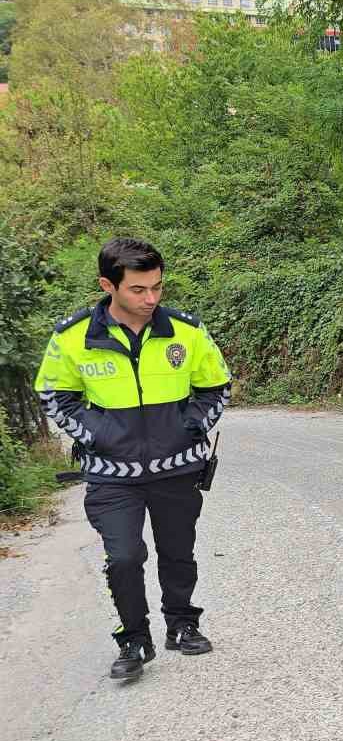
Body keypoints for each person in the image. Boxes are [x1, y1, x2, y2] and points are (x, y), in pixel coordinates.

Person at [33, 238, 232, 680]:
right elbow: (54, 394)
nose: (151, 298)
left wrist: (188, 427)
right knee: (123, 557)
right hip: (111, 474)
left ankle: (182, 624)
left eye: (157, 287)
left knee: (177, 551)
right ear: (108, 285)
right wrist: (97, 433)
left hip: (177, 468)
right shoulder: (73, 337)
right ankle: (134, 639)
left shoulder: (186, 331)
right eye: (138, 289)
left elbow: (216, 386)